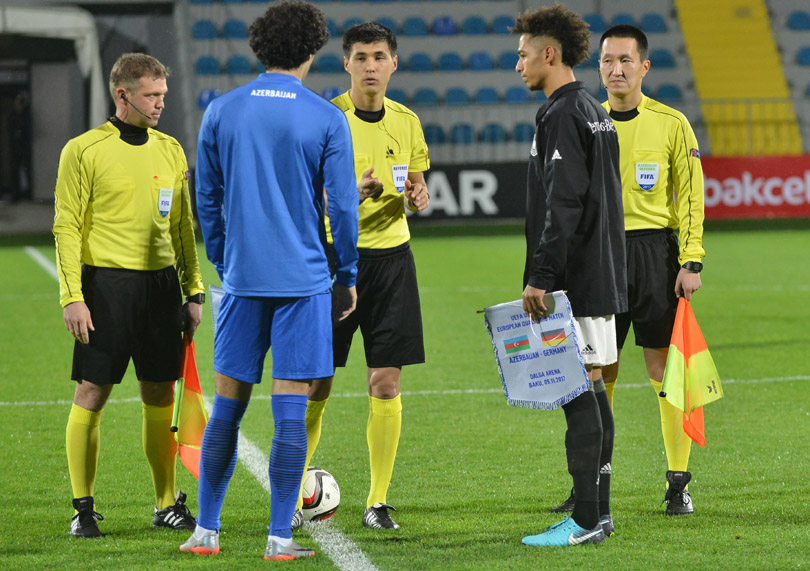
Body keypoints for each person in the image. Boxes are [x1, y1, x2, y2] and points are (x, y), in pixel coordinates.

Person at [179, 0, 359, 561]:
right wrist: (346, 271)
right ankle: (279, 538)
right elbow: (345, 209)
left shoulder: (221, 110)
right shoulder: (326, 116)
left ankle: (205, 532)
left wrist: (225, 257)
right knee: (289, 411)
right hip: (303, 281)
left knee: (228, 407)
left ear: (261, 48)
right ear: (312, 50)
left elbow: (204, 197)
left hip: (241, 280)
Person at [53, 53, 205, 538]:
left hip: (161, 288)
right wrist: (72, 296)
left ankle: (165, 503)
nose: (161, 103)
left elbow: (183, 227)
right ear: (123, 95)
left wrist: (193, 289)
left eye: (163, 94)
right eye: (151, 95)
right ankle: (82, 508)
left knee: (160, 393)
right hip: (105, 288)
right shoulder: (83, 149)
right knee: (92, 393)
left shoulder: (171, 149)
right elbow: (67, 226)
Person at [292, 21, 430, 532]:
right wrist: (352, 194)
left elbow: (416, 182)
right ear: (345, 64)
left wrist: (418, 195)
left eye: (379, 56)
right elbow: (305, 198)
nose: (370, 65)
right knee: (315, 382)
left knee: (386, 382)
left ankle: (377, 500)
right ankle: (297, 485)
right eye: (361, 57)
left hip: (393, 261)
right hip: (332, 263)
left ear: (394, 63)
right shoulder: (325, 120)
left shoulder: (408, 122)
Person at [513, 5, 627, 547]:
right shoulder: (591, 108)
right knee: (595, 393)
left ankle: (585, 521)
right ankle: (598, 514)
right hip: (598, 275)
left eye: (523, 54)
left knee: (577, 396)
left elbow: (565, 202)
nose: (519, 65)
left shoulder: (562, 113)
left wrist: (541, 277)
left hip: (573, 283)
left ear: (549, 54)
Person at [598, 24, 705, 515]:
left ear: (643, 66)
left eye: (625, 60)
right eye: (606, 61)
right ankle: (592, 480)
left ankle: (677, 482)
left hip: (654, 256)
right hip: (600, 257)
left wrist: (691, 259)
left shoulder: (672, 123)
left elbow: (691, 197)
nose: (615, 69)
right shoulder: (587, 122)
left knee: (664, 368)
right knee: (599, 369)